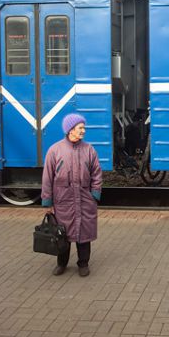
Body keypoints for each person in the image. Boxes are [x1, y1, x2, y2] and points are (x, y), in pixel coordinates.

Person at [41, 113, 103, 277]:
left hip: (85, 200)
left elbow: (97, 174)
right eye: (80, 127)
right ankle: (61, 264)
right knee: (63, 234)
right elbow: (47, 178)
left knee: (84, 235)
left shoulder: (89, 150)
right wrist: (47, 202)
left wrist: (94, 195)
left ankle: (83, 264)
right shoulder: (55, 150)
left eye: (83, 127)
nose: (83, 130)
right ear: (70, 130)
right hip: (63, 201)